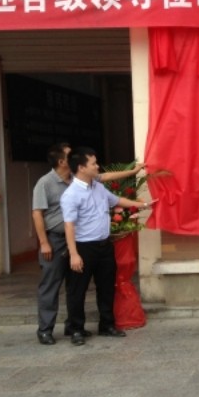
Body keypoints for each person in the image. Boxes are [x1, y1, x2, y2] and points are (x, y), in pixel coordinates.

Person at [32, 142, 143, 345]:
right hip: (62, 241)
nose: (97, 166)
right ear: (64, 162)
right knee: (58, 284)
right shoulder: (49, 184)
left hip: (91, 240)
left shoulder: (90, 182)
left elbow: (110, 185)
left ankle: (84, 326)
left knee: (91, 285)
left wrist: (134, 176)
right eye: (70, 155)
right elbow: (41, 215)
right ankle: (50, 329)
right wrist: (46, 243)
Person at [60, 147, 154, 347]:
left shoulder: (98, 186)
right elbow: (69, 225)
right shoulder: (71, 194)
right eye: (93, 163)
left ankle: (107, 325)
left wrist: (143, 205)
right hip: (83, 248)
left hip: (104, 246)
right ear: (81, 168)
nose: (97, 166)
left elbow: (117, 200)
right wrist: (74, 254)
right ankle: (76, 329)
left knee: (106, 287)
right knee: (77, 290)